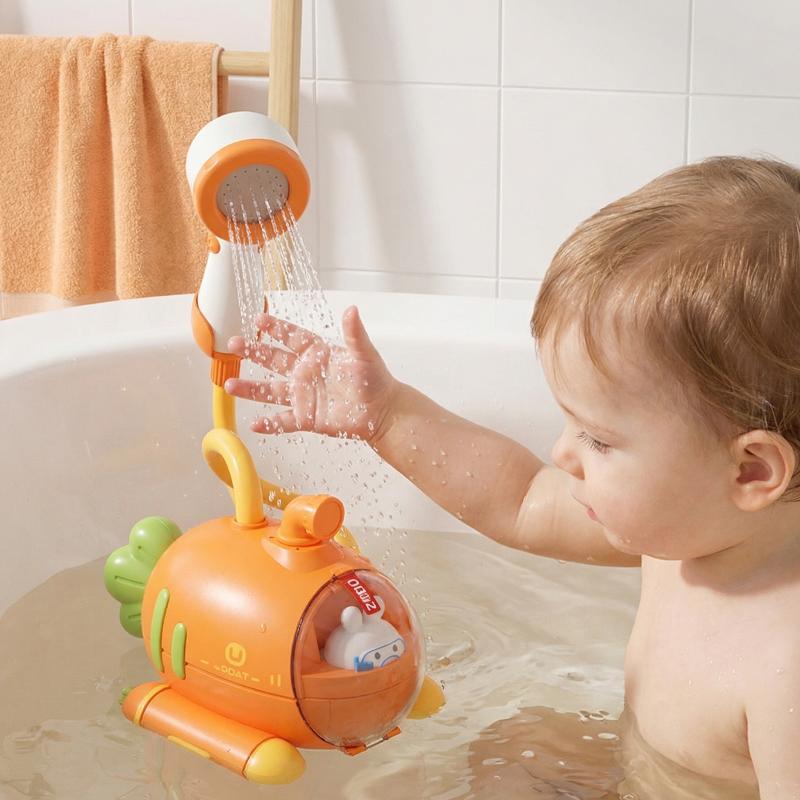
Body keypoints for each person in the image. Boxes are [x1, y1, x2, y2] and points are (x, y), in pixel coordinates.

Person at [225, 156, 800, 799]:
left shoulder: (785, 666)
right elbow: (519, 499)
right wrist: (386, 417)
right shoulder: (687, 531)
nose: (562, 453)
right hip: (640, 769)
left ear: (751, 471)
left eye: (599, 440)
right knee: (516, 746)